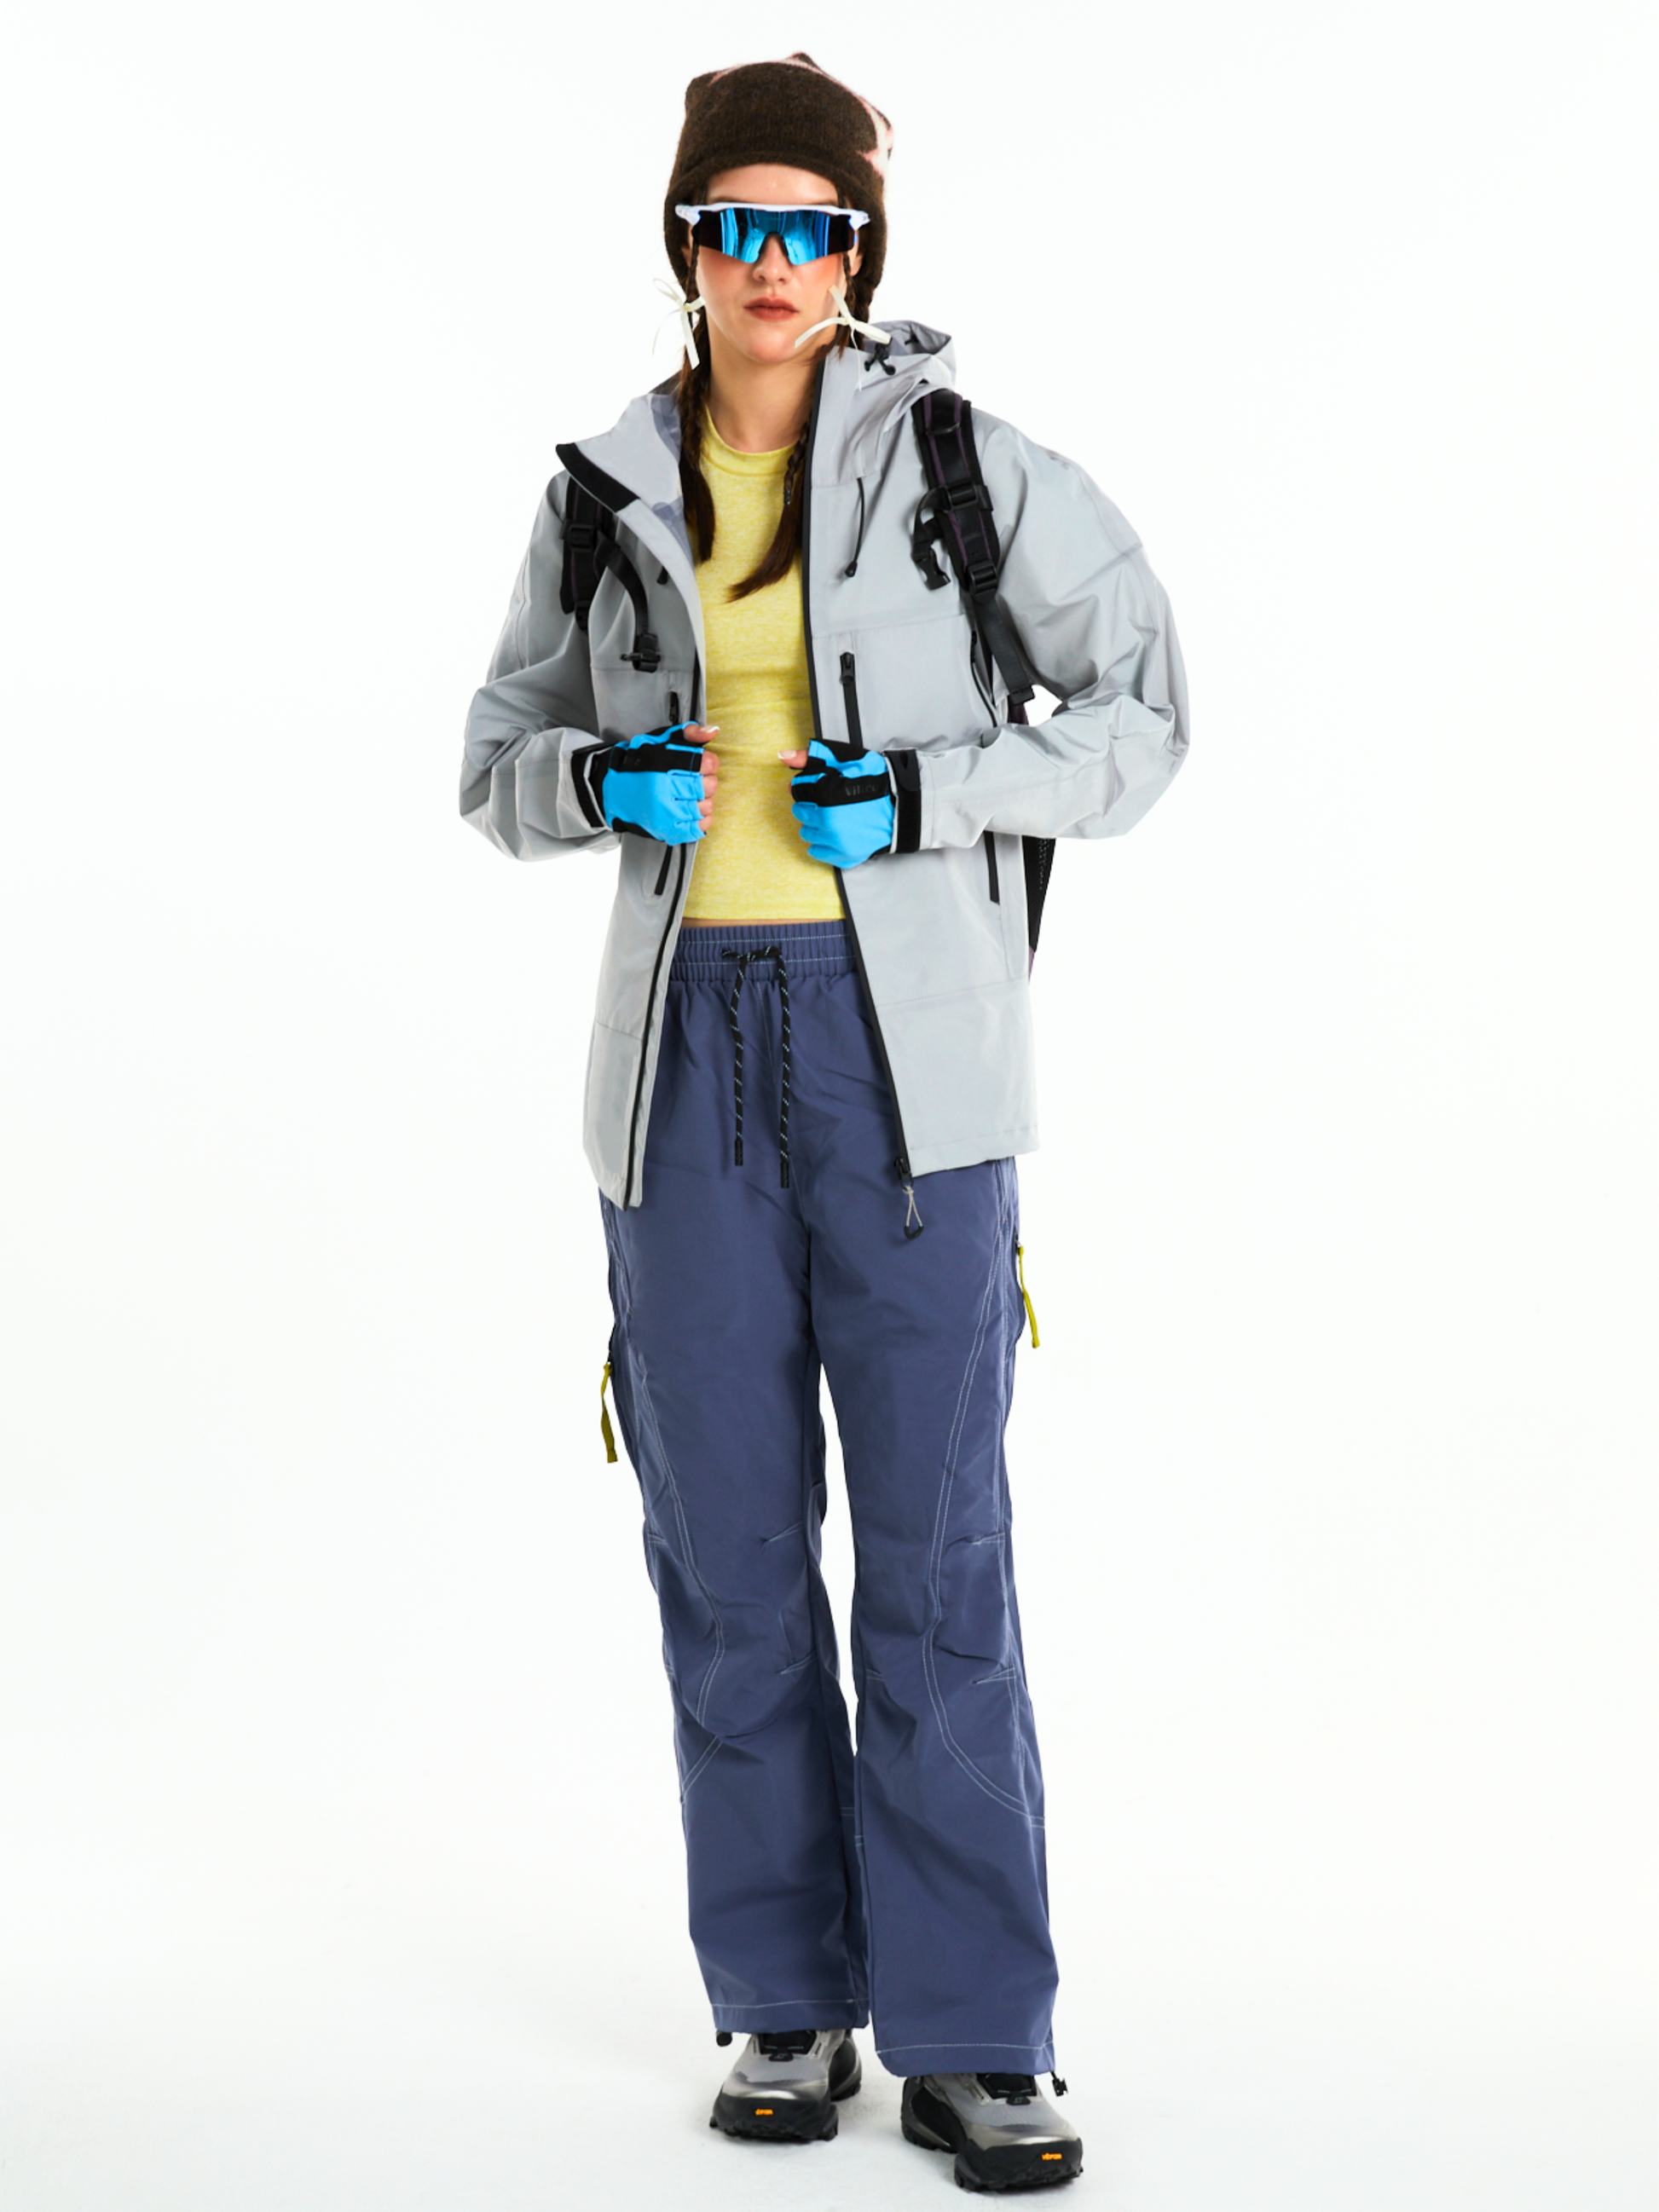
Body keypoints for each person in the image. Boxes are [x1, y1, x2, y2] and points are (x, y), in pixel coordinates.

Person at [460, 52, 1188, 2194]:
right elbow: (494, 751)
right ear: (686, 245)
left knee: (939, 1559)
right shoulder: (601, 491)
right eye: (736, 223)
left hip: (912, 1067)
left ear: (858, 247)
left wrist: (940, 794)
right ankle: (781, 2000)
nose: (773, 262)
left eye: (810, 224)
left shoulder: (966, 463)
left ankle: (973, 2034)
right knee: (729, 1556)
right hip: (681, 1063)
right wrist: (598, 781)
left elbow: (1143, 716)